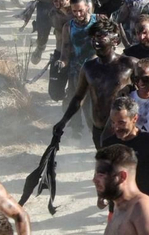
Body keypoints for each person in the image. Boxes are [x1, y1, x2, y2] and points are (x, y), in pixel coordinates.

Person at [54, 19, 140, 149]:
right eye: (93, 37)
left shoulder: (129, 64)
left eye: (100, 36)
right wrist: (63, 121)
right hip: (98, 130)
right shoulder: (88, 68)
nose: (95, 41)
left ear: (115, 40)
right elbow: (78, 98)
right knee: (105, 166)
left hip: (124, 130)